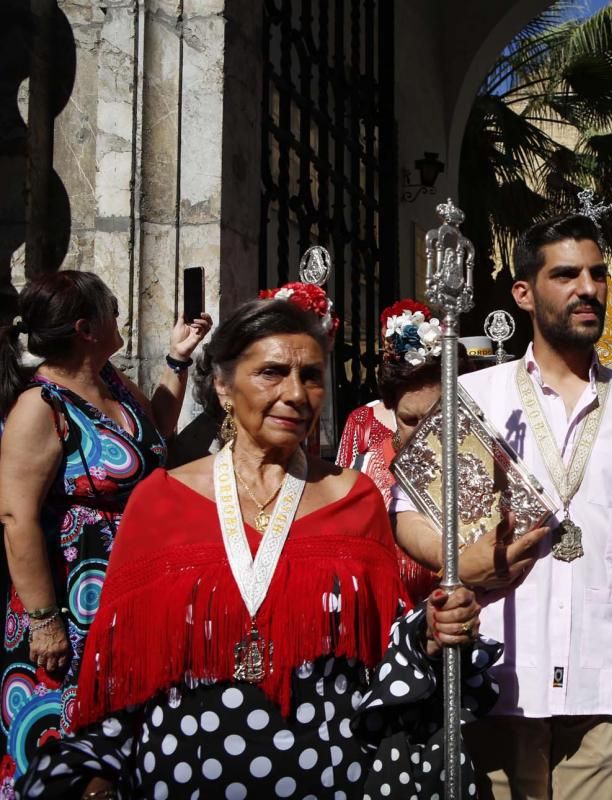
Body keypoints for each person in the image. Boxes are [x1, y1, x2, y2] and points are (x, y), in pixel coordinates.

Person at [16, 295, 499, 799]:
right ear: (224, 387)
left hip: (328, 768)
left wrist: (431, 628)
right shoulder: (159, 501)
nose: (296, 393)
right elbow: (124, 667)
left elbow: (379, 646)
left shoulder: (354, 498)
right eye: (271, 372)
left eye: (311, 376)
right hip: (188, 767)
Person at [391, 213, 612, 800]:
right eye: (567, 274)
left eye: (598, 274)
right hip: (497, 673)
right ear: (524, 293)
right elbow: (407, 510)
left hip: (605, 679)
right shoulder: (477, 394)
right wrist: (460, 563)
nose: (588, 289)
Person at [0, 270, 211, 788]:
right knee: (66, 737)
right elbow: (15, 517)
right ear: (85, 328)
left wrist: (178, 359)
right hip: (73, 604)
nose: (120, 316)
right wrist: (45, 620)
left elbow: (154, 432)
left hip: (128, 588)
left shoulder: (109, 380)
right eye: (112, 308)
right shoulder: (40, 406)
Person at [336, 298, 478, 601]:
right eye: (409, 420)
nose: (424, 433)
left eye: (437, 418)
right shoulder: (367, 471)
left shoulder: (484, 466)